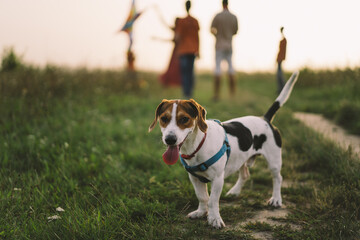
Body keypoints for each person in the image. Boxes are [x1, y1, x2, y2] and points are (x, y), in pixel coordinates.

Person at [211, 0, 238, 101]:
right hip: (229, 45)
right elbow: (235, 31)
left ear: (222, 4)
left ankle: (216, 95)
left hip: (219, 45)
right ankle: (232, 94)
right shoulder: (233, 17)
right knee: (231, 69)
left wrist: (217, 35)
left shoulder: (218, 16)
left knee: (218, 69)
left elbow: (211, 29)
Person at [175, 0, 200, 98]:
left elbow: (177, 37)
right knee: (190, 71)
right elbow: (198, 37)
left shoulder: (181, 21)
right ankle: (190, 92)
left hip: (183, 50)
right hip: (193, 50)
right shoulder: (195, 21)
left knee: (185, 72)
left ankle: (186, 93)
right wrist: (198, 50)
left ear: (185, 7)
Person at [159, 18, 182, 87]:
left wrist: (159, 39)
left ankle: (176, 83)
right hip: (177, 50)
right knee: (173, 66)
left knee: (175, 67)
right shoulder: (176, 29)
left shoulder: (180, 30)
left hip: (178, 51)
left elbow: (175, 40)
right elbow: (165, 24)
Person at [276, 26, 287, 93]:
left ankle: (282, 88)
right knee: (279, 74)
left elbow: (282, 50)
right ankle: (280, 88)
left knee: (279, 74)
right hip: (279, 58)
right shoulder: (283, 40)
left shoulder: (284, 40)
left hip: (281, 58)